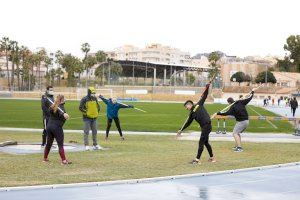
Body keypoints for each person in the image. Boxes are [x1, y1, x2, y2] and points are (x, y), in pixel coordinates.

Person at [177, 83, 216, 165]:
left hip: (207, 125)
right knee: (205, 142)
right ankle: (212, 158)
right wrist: (181, 130)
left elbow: (205, 95)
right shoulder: (191, 113)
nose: (186, 108)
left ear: (189, 104)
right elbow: (188, 123)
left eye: (186, 107)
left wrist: (207, 87)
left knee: (201, 142)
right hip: (204, 127)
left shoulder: (199, 104)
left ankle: (197, 160)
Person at [44, 94, 71, 165]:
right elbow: (61, 112)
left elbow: (56, 112)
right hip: (56, 128)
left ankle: (45, 158)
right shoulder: (60, 107)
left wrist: (65, 116)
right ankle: (64, 161)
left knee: (49, 143)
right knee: (60, 144)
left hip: (49, 127)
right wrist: (64, 115)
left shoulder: (53, 106)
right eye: (64, 99)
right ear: (62, 100)